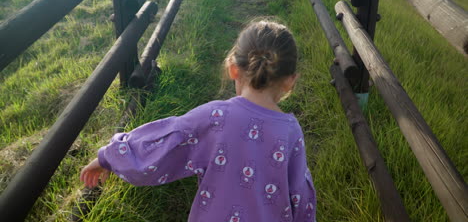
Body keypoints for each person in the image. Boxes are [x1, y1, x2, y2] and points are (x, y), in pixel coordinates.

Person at [80, 20, 317, 221]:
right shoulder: (290, 131)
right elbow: (301, 197)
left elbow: (161, 144)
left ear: (233, 68)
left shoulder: (216, 118)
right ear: (290, 81)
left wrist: (110, 156)